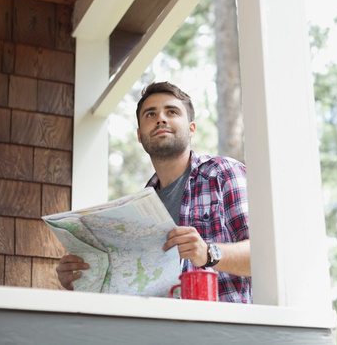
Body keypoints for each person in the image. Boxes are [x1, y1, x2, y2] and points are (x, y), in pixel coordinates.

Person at [56, 82, 252, 303]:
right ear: (140, 136)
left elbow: (265, 257)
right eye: (151, 114)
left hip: (223, 332)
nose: (161, 118)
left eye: (172, 111)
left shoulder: (224, 173)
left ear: (191, 128)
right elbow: (130, 287)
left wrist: (208, 253)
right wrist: (82, 280)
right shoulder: (136, 210)